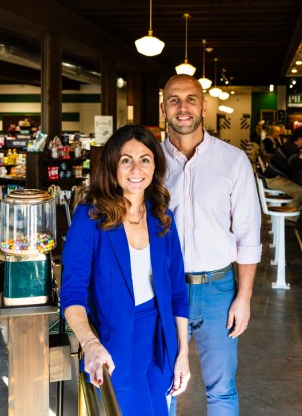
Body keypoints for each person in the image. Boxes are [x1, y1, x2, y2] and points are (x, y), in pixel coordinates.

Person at [61, 124, 190, 416]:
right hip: (114, 343)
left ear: (155, 166)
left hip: (161, 340)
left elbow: (178, 292)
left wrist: (183, 353)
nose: (136, 168)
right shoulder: (90, 217)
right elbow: (72, 292)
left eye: (145, 159)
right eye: (126, 160)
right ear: (112, 166)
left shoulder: (162, 217)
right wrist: (90, 343)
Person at [160, 74, 262, 416]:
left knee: (221, 389)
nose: (183, 107)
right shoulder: (149, 165)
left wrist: (244, 297)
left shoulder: (233, 161)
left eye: (191, 99)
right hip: (162, 288)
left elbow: (248, 235)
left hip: (218, 290)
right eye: (174, 99)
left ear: (204, 105)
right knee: (163, 385)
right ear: (163, 108)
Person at [263, 127, 302, 222]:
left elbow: (293, 163)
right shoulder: (292, 149)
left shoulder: (289, 145)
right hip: (273, 179)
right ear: (299, 139)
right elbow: (294, 164)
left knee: (298, 187)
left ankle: (292, 217)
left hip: (271, 177)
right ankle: (288, 219)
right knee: (300, 191)